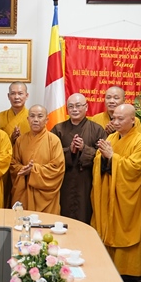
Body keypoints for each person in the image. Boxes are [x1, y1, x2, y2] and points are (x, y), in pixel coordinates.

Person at [91, 104, 141, 282]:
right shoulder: (111, 137)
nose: (115, 122)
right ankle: (106, 269)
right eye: (114, 118)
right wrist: (103, 157)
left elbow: (135, 169)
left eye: (120, 119)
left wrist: (112, 157)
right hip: (109, 195)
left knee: (127, 232)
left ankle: (128, 275)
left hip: (128, 198)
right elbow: (98, 159)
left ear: (133, 120)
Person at [51, 94, 106, 223]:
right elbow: (51, 154)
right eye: (71, 106)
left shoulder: (97, 129)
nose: (74, 109)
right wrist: (69, 150)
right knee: (63, 215)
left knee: (85, 213)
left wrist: (84, 149)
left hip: (86, 181)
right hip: (64, 180)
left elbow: (103, 156)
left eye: (78, 106)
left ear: (86, 107)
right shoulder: (58, 129)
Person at [10, 105, 65, 214]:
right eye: (32, 116)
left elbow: (57, 168)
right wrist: (23, 169)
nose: (35, 120)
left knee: (45, 223)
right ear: (28, 119)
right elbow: (13, 164)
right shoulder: (20, 140)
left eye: (40, 116)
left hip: (46, 196)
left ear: (46, 120)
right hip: (24, 191)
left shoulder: (54, 140)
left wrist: (33, 170)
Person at [0, 82, 30, 208]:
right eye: (13, 93)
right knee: (2, 195)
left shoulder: (32, 118)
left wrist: (20, 141)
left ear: (26, 96)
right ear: (8, 96)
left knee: (20, 197)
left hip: (23, 164)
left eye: (20, 93)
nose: (16, 97)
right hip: (3, 163)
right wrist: (9, 139)